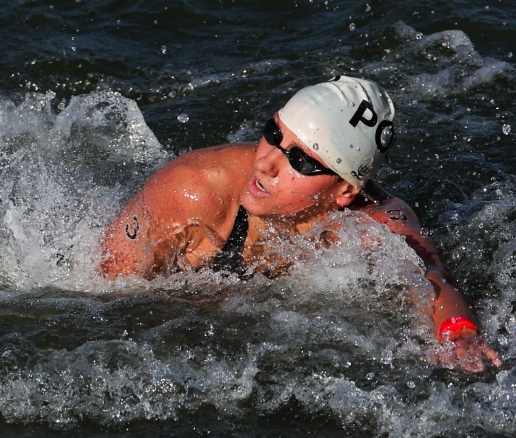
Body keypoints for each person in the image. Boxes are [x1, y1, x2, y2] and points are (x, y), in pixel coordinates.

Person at [100, 76, 502, 372]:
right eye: (273, 133)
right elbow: (109, 296)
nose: (267, 162)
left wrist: (459, 333)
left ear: (344, 189)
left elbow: (430, 279)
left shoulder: (374, 221)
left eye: (302, 160)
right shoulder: (196, 188)